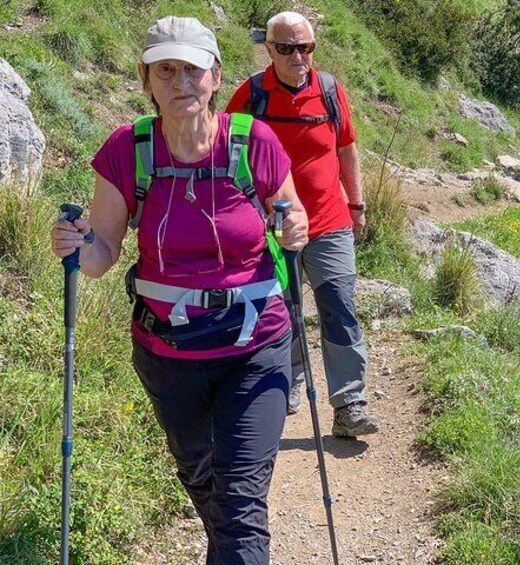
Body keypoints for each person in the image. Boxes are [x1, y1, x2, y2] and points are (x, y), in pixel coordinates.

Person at [50, 16, 309, 563]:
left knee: (241, 501)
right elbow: (102, 254)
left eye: (192, 69)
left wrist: (294, 226)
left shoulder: (252, 142)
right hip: (168, 350)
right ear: (147, 80)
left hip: (256, 345)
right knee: (199, 474)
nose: (180, 82)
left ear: (215, 75)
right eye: (165, 70)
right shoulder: (129, 150)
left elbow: (291, 212)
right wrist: (78, 246)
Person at [226, 11, 379, 438]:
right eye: (288, 48)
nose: (298, 56)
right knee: (283, 310)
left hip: (330, 222)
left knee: (340, 307)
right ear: (269, 48)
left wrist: (357, 203)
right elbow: (225, 151)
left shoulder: (329, 90)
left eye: (305, 47)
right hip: (270, 226)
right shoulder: (252, 94)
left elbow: (347, 148)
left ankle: (349, 403)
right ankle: (286, 387)